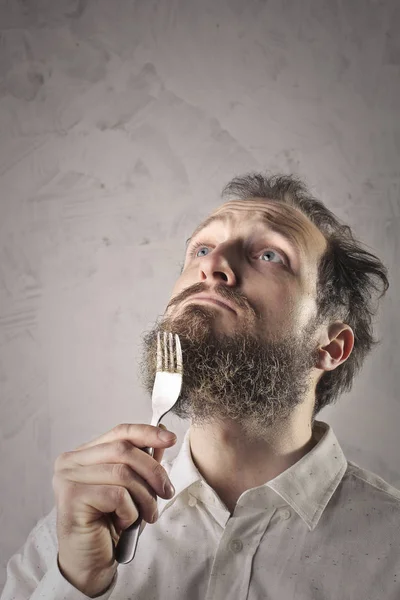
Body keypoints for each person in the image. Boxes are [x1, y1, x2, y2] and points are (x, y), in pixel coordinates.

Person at [1, 172, 399, 600]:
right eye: (202, 249)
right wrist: (76, 585)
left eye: (269, 254)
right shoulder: (67, 538)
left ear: (331, 345)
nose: (212, 264)